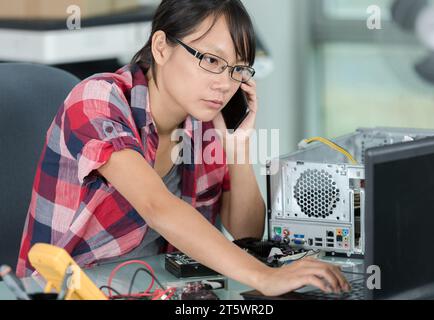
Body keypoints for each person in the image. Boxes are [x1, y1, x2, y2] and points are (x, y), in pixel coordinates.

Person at [17, 0, 350, 296]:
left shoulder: (204, 122)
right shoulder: (98, 101)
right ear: (161, 48)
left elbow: (247, 232)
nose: (224, 83)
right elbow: (156, 206)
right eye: (210, 60)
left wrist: (237, 149)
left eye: (237, 69)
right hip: (74, 289)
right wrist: (264, 277)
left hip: (161, 289)